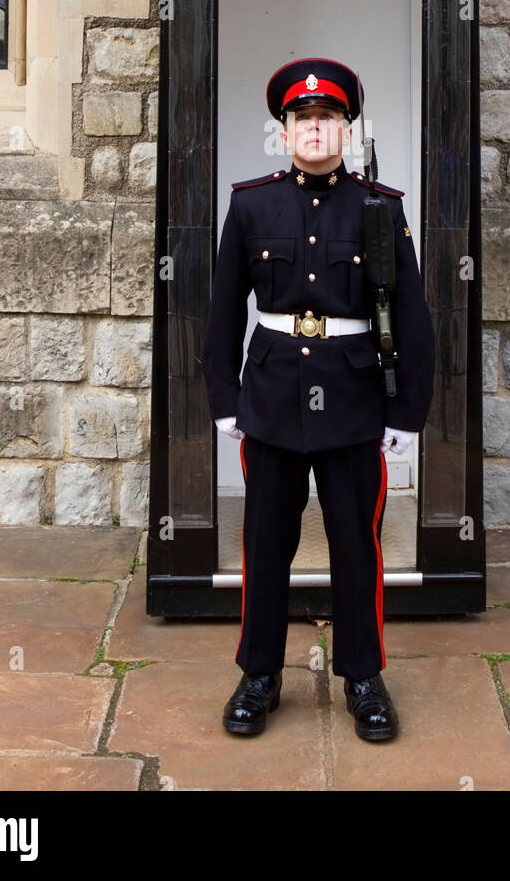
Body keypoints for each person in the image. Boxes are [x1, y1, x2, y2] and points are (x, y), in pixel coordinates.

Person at [200, 57, 435, 741]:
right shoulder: (251, 205)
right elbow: (220, 311)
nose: (313, 128)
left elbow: (414, 319)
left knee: (354, 546)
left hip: (355, 396)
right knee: (265, 543)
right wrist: (223, 397)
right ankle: (259, 675)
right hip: (271, 395)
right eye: (301, 118)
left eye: (327, 117)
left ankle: (362, 676)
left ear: (345, 128)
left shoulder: (380, 209)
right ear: (284, 129)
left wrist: (407, 414)